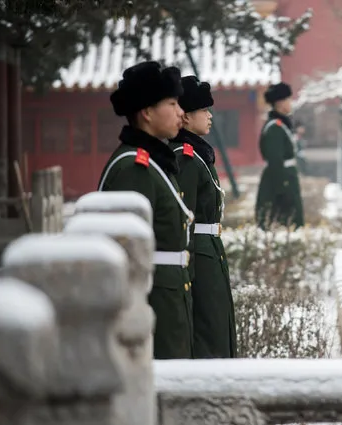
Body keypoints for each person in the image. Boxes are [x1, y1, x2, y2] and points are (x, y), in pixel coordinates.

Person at [98, 61, 194, 360]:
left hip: (169, 296)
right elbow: (123, 252)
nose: (182, 112)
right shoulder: (134, 168)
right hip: (152, 302)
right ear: (147, 112)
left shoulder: (153, 162)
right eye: (172, 103)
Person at [169, 76, 237, 358]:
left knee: (220, 327)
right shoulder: (185, 157)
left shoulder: (198, 156)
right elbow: (185, 222)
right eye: (204, 111)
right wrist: (190, 273)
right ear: (185, 117)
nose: (210, 116)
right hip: (200, 257)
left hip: (211, 253)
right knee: (209, 334)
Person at [255, 82, 305, 230]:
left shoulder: (281, 125)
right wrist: (284, 191)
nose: (291, 103)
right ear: (279, 103)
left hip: (287, 179)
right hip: (280, 183)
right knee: (284, 224)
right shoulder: (274, 128)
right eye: (288, 99)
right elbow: (275, 161)